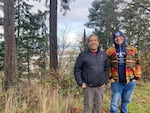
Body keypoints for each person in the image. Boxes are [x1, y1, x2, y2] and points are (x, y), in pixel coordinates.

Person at [106, 31, 142, 113]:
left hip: (130, 81)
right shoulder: (110, 51)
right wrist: (110, 77)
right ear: (114, 39)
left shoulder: (133, 49)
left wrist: (136, 77)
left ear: (123, 37)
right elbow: (107, 65)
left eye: (120, 37)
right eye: (116, 37)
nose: (118, 39)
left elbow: (138, 63)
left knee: (125, 102)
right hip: (116, 82)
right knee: (114, 104)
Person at [74, 34, 109, 113]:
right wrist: (80, 82)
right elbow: (77, 69)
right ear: (88, 43)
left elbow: (107, 68)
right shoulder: (83, 55)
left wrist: (105, 81)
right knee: (88, 107)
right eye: (91, 41)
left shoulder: (103, 54)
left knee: (98, 106)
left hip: (100, 87)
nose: (93, 42)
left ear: (98, 42)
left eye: (95, 40)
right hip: (88, 87)